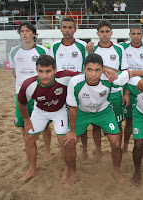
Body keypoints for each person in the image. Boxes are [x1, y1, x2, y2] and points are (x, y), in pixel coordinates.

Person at [64, 53, 143, 189]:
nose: (93, 74)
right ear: (84, 68)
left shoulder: (110, 78)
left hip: (103, 112)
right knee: (69, 143)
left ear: (102, 69)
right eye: (89, 70)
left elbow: (132, 72)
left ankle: (116, 171)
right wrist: (72, 131)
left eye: (97, 70)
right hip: (83, 113)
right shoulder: (75, 81)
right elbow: (72, 107)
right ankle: (72, 174)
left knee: (116, 143)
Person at [17, 55, 80, 183]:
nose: (44, 75)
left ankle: (68, 170)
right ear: (36, 70)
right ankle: (32, 170)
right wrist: (27, 120)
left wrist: (108, 71)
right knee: (29, 139)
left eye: (48, 71)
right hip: (40, 111)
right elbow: (22, 103)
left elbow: (87, 73)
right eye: (41, 71)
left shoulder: (65, 77)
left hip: (60, 111)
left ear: (55, 70)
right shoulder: (29, 84)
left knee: (64, 141)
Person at [8, 22, 52, 181]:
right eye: (22, 31)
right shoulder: (13, 52)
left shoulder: (42, 51)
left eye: (28, 31)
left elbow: (49, 72)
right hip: (21, 94)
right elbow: (14, 72)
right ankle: (31, 153)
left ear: (34, 34)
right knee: (24, 125)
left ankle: (47, 149)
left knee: (46, 125)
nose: (25, 34)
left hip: (40, 93)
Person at [86, 19, 129, 162]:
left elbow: (125, 72)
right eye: (101, 32)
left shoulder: (119, 49)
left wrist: (126, 92)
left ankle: (117, 149)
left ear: (111, 33)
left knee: (118, 123)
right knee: (96, 125)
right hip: (97, 92)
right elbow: (87, 70)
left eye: (107, 31)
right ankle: (99, 151)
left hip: (115, 92)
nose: (104, 34)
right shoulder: (92, 49)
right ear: (97, 33)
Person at [50, 17, 90, 162]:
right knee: (64, 120)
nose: (67, 30)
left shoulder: (82, 45)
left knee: (81, 119)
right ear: (60, 29)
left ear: (75, 29)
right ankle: (66, 150)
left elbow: (87, 66)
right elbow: (51, 68)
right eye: (64, 27)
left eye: (70, 27)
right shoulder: (54, 46)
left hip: (78, 87)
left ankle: (85, 150)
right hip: (60, 88)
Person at [119, 25, 143, 153]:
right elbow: (124, 73)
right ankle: (126, 145)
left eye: (139, 34)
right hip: (129, 89)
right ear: (129, 34)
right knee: (129, 121)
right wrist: (126, 92)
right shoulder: (123, 48)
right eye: (133, 33)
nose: (136, 36)